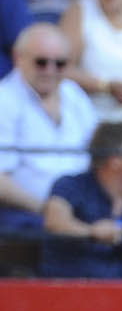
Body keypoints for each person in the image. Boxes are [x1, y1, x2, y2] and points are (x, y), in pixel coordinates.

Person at [39, 118, 122, 276]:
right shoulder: (70, 185)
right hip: (67, 290)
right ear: (115, 159)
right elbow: (55, 221)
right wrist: (91, 232)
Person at [0, 23, 94, 235]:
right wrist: (47, 209)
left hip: (83, 209)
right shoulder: (3, 100)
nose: (50, 71)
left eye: (59, 64)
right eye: (41, 62)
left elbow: (96, 149)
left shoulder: (73, 93)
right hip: (25, 215)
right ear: (18, 57)